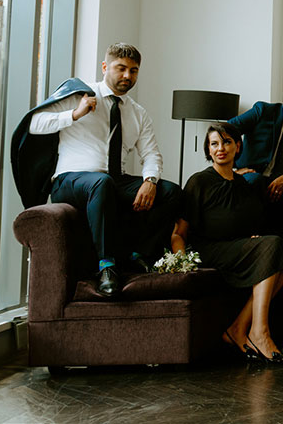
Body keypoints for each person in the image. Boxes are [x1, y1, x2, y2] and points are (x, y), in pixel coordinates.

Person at [25, 43, 182, 297]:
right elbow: (34, 123)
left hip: (112, 181)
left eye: (134, 71)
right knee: (101, 182)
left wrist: (150, 180)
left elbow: (151, 153)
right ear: (105, 66)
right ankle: (107, 266)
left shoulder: (138, 113)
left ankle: (137, 255)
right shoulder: (78, 95)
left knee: (170, 192)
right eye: (121, 68)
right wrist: (74, 114)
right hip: (70, 179)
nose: (127, 76)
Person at [172, 122, 283, 363]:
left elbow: (248, 224)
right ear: (208, 150)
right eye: (214, 144)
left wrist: (252, 239)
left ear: (237, 147)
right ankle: (259, 332)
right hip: (208, 250)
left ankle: (238, 327)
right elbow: (179, 233)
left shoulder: (244, 185)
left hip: (236, 248)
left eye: (227, 142)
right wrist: (182, 262)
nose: (221, 149)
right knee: (271, 247)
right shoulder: (199, 181)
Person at [228, 73, 283, 237]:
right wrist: (232, 169)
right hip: (251, 177)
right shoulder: (263, 111)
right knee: (256, 181)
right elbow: (227, 130)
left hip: (277, 182)